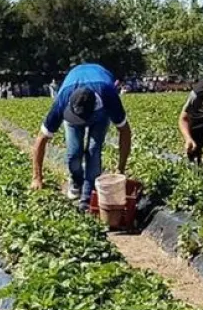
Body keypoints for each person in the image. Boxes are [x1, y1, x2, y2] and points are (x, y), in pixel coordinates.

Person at [31, 63, 132, 210]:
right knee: (74, 152)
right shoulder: (63, 98)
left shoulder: (108, 95)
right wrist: (37, 177)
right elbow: (41, 138)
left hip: (100, 114)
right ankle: (77, 180)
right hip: (73, 89)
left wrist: (120, 170)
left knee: (93, 149)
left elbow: (125, 131)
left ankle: (88, 194)